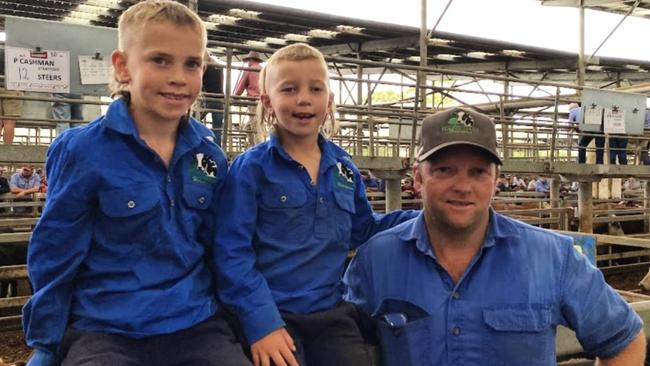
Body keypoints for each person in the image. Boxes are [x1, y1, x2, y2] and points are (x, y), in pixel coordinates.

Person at [22, 2, 250, 366]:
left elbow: (216, 247)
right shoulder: (82, 150)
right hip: (107, 328)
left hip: (195, 323)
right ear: (122, 66)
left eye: (191, 64)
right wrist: (48, 341)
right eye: (160, 60)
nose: (178, 76)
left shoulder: (208, 156)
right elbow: (54, 251)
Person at [344, 107, 646, 366]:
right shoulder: (375, 261)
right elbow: (336, 341)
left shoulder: (553, 257)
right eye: (445, 170)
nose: (462, 186)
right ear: (418, 177)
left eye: (477, 172)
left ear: (496, 179)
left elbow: (625, 337)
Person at [214, 43, 418, 366]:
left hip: (329, 312)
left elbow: (364, 229)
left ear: (329, 101)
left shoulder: (343, 168)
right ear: (267, 102)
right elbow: (231, 253)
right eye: (290, 89)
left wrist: (426, 217)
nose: (304, 98)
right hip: (273, 312)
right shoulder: (251, 169)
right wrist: (260, 322)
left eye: (315, 88)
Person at [233, 50, 263, 147]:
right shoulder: (264, 70)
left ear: (250, 60)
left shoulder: (249, 70)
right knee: (249, 127)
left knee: (255, 127)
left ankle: (259, 148)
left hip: (253, 101)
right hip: (264, 101)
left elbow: (241, 86)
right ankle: (254, 147)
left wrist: (235, 97)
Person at [201, 57, 224, 145]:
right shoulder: (219, 67)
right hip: (219, 99)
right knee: (217, 128)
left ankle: (197, 143)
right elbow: (222, 83)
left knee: (193, 121)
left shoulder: (206, 66)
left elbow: (201, 83)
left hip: (208, 98)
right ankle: (217, 149)